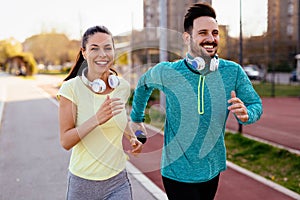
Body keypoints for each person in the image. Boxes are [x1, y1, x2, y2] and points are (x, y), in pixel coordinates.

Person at [130, 3, 263, 200]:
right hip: (176, 170)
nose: (211, 39)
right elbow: (143, 85)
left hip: (212, 168)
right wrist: (137, 118)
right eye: (203, 33)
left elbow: (255, 105)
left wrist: (246, 114)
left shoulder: (232, 71)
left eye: (215, 33)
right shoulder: (168, 71)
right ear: (187, 37)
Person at [57, 25, 143, 200]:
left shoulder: (122, 86)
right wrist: (96, 119)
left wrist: (131, 136)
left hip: (118, 181)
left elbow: (119, 116)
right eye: (94, 48)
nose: (102, 54)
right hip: (83, 184)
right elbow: (65, 141)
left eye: (107, 48)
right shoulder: (71, 89)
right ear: (84, 52)